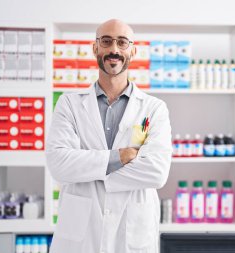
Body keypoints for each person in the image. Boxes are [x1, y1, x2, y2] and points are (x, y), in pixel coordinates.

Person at [46, 19, 172, 253]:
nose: (114, 49)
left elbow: (157, 172)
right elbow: (59, 165)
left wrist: (90, 168)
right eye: (106, 41)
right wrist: (121, 157)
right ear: (95, 48)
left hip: (132, 230)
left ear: (132, 51)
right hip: (81, 235)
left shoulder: (154, 108)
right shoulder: (69, 104)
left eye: (122, 42)